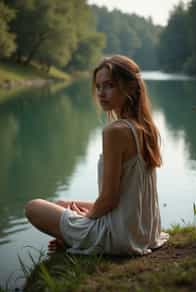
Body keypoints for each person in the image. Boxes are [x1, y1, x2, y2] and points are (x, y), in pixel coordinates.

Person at [25, 55, 169, 255]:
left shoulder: (115, 131)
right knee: (60, 205)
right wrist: (89, 214)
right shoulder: (145, 127)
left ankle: (73, 240)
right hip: (144, 230)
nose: (101, 93)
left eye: (109, 86)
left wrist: (88, 218)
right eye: (99, 87)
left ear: (129, 87)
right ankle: (71, 239)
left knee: (34, 207)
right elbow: (124, 196)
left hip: (120, 236)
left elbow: (109, 199)